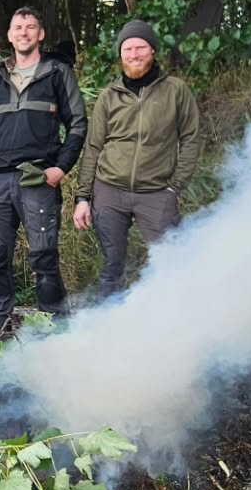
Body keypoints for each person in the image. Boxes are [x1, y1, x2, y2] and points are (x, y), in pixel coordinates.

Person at [0, 7, 87, 343]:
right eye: (18, 27)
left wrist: (60, 167)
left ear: (40, 34)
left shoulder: (57, 73)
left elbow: (77, 124)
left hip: (37, 178)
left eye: (30, 27)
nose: (24, 32)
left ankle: (55, 328)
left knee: (43, 254)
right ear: (9, 35)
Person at [73, 19, 200, 298]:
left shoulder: (176, 90)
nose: (134, 54)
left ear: (152, 50)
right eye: (127, 49)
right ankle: (107, 329)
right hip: (109, 191)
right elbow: (93, 147)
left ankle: (175, 329)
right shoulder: (109, 96)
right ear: (120, 54)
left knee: (172, 262)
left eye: (140, 47)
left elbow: (191, 138)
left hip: (156, 192)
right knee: (112, 266)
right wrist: (82, 198)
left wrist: (175, 187)